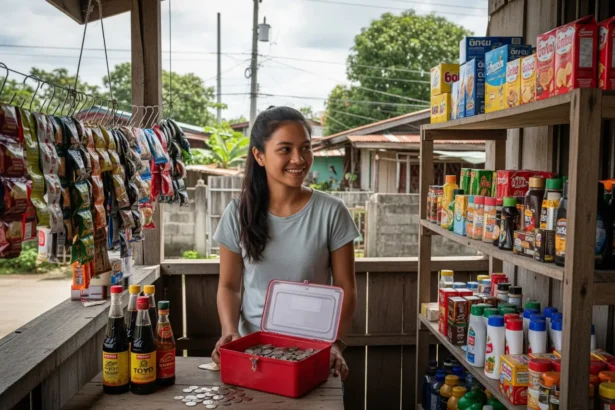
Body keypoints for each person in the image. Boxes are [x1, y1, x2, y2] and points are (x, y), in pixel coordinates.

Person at [211, 106, 359, 381]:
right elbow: (229, 286)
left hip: (315, 353)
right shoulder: (237, 213)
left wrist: (336, 343)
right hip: (253, 354)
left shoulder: (332, 212)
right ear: (259, 156)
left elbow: (346, 287)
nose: (298, 159)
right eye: (285, 149)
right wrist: (229, 330)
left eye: (306, 148)